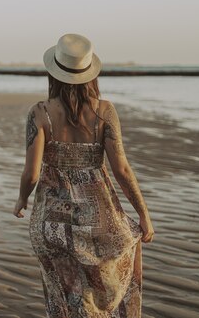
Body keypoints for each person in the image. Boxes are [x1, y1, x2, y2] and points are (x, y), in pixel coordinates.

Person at [13, 34, 154, 318]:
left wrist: (21, 200)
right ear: (90, 74)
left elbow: (31, 173)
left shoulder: (40, 113)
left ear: (54, 72)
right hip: (96, 223)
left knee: (63, 300)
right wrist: (143, 214)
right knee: (100, 293)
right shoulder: (104, 112)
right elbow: (122, 170)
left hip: (51, 223)